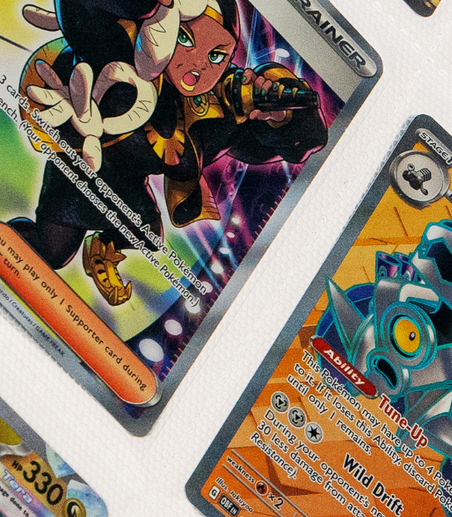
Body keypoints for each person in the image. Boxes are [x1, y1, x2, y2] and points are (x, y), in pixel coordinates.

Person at [11, 0, 325, 306]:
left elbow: (295, 145)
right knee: (52, 252)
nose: (199, 65)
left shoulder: (217, 116)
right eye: (185, 39)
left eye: (217, 56)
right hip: (78, 167)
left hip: (126, 186)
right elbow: (81, 14)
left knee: (145, 232)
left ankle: (104, 249)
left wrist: (283, 118)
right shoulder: (126, 51)